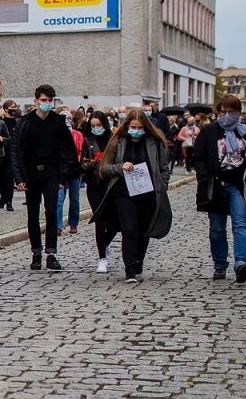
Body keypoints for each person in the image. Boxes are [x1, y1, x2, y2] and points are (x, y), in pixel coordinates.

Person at [193, 94, 246, 283]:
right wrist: (206, 176)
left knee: (241, 224)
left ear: (238, 112)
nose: (226, 115)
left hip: (240, 185)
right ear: (218, 112)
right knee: (217, 228)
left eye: (231, 112)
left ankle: (242, 263)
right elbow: (198, 157)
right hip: (216, 185)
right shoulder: (209, 131)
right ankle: (219, 264)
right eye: (223, 111)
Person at [97, 108, 172, 283]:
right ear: (127, 126)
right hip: (123, 192)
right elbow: (104, 167)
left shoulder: (155, 142)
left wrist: (163, 185)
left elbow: (164, 168)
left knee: (143, 230)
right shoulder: (118, 141)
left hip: (147, 192)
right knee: (129, 229)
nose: (136, 130)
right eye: (133, 127)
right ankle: (129, 268)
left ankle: (138, 260)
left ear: (145, 127)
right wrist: (120, 167)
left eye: (139, 127)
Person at [11, 84, 72, 271]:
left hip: (52, 172)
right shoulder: (25, 122)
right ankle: (36, 252)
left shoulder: (57, 122)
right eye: (43, 100)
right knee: (32, 214)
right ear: (35, 100)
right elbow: (15, 150)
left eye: (49, 101)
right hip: (30, 172)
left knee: (52, 211)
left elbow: (67, 150)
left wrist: (64, 177)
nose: (46, 104)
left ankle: (51, 253)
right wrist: (19, 177)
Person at [81, 111, 121, 274]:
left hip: (112, 182)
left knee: (117, 219)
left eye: (99, 125)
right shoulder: (87, 140)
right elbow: (82, 163)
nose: (96, 128)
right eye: (93, 126)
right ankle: (102, 258)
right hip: (94, 183)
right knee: (100, 218)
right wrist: (86, 164)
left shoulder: (115, 140)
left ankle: (105, 242)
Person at [55, 111, 85, 235]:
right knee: (59, 198)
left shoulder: (78, 135)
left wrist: (75, 163)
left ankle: (73, 222)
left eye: (68, 118)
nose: (66, 121)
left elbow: (80, 151)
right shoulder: (55, 135)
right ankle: (57, 225)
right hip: (60, 171)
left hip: (74, 170)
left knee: (75, 198)